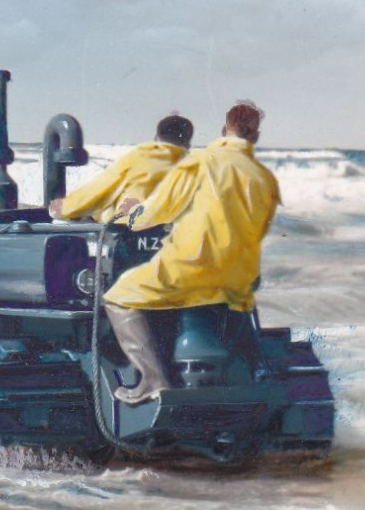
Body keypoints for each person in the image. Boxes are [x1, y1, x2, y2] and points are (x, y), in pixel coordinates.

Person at [102, 101, 282, 405]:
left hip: (190, 271)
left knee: (118, 296)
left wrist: (129, 215)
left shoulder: (200, 162)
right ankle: (254, 369)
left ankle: (152, 381)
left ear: (225, 129)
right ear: (256, 136)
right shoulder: (264, 177)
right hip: (241, 276)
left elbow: (156, 211)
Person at [49, 113, 193, 223]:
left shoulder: (141, 157)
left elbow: (101, 189)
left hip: (134, 235)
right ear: (187, 141)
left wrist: (64, 207)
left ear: (157, 137)